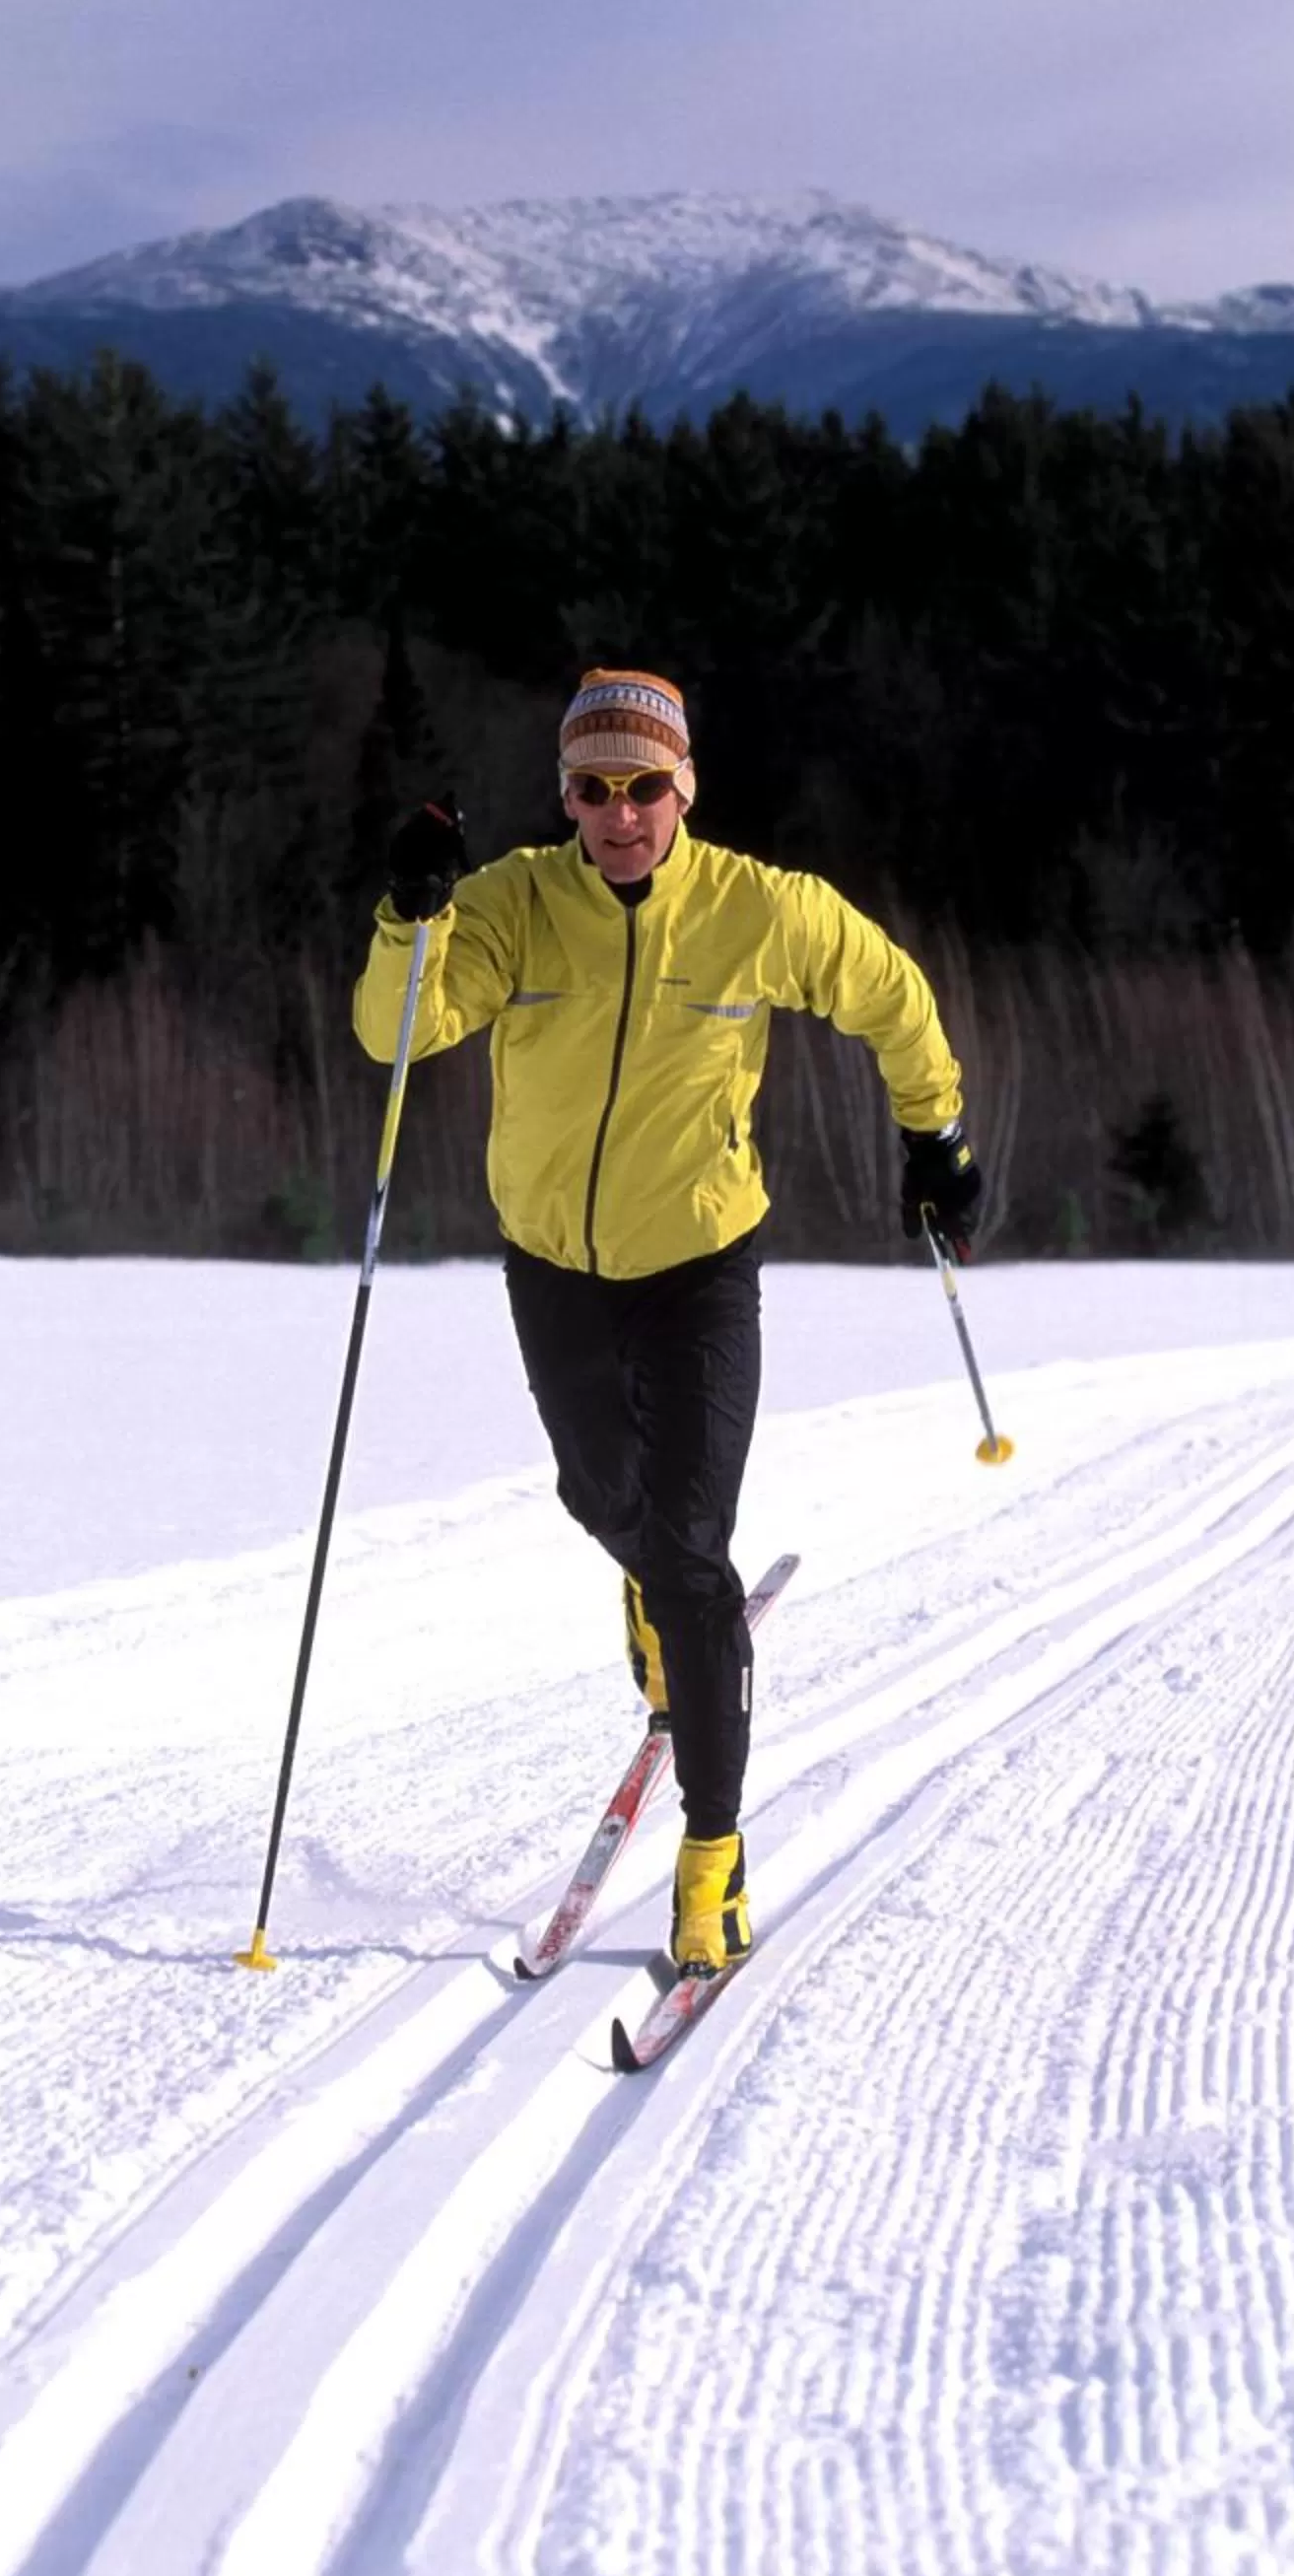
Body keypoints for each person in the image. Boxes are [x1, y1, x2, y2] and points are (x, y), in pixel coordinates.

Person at [352, 670, 980, 1975]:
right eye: (595, 788)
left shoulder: (758, 909)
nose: (621, 813)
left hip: (700, 1264)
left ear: (683, 787)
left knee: (695, 1556)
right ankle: (650, 1587)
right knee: (603, 1500)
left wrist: (935, 1136)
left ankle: (713, 1856)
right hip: (553, 1264)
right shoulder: (516, 904)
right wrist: (411, 916)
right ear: (567, 796)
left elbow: (891, 993)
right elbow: (396, 1036)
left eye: (644, 786)